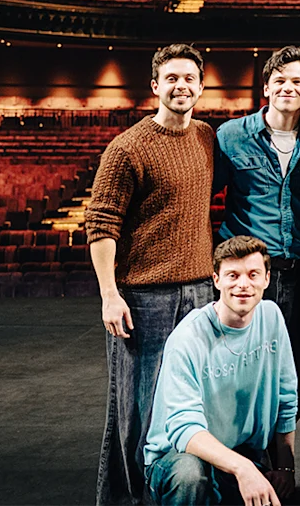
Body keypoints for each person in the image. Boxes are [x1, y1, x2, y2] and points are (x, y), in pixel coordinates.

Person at [85, 43, 217, 505]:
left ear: (200, 87)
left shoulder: (205, 136)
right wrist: (109, 294)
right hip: (145, 298)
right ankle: (129, 498)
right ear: (156, 85)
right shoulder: (127, 148)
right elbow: (101, 223)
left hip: (201, 292)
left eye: (189, 79)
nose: (181, 86)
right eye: (172, 79)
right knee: (137, 408)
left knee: (194, 402)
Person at [143, 236, 300, 506]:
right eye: (232, 275)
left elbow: (286, 399)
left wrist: (285, 469)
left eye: (253, 275)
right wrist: (243, 468)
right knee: (190, 476)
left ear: (266, 278)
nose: (243, 284)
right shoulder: (189, 338)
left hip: (240, 454)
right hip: (178, 458)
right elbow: (185, 430)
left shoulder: (271, 317)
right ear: (216, 280)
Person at [215, 46, 300, 382]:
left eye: (296, 82)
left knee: (295, 370)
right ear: (266, 87)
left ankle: (287, 435)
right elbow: (201, 193)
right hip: (249, 273)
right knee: (243, 369)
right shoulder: (231, 135)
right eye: (279, 80)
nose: (287, 87)